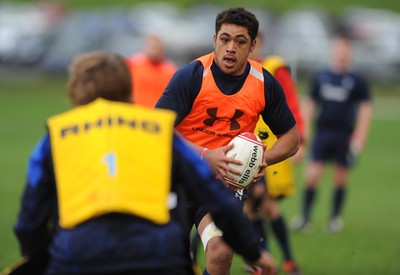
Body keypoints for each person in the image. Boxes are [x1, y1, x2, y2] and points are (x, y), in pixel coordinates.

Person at [11, 51, 277, 275]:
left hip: (79, 254)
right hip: (157, 256)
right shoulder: (156, 132)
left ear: (76, 92)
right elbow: (214, 194)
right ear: (128, 89)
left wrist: (36, 254)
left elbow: (30, 216)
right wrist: (252, 251)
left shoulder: (58, 135)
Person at [156, 7, 300, 275]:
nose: (231, 48)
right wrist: (204, 155)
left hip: (224, 185)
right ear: (214, 40)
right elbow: (158, 128)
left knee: (221, 251)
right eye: (225, 39)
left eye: (240, 41)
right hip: (178, 178)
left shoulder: (263, 83)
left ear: (252, 46)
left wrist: (261, 161)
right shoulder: (191, 76)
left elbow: (292, 139)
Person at [290, 34, 373, 234]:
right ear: (333, 52)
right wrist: (304, 129)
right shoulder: (321, 76)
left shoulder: (356, 80)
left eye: (345, 51)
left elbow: (365, 107)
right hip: (323, 133)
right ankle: (305, 217)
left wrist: (360, 134)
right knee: (312, 175)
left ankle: (334, 219)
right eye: (338, 51)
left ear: (349, 54)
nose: (341, 55)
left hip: (344, 135)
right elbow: (309, 104)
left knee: (340, 177)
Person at [242, 32, 304, 275]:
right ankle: (266, 261)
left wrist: (302, 140)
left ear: (257, 45)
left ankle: (284, 259)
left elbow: (292, 103)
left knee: (265, 204)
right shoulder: (238, 73)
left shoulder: (274, 68)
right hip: (245, 147)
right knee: (253, 206)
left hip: (271, 147)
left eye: (247, 42)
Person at [126, 33, 177, 108]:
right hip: (136, 112)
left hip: (157, 114)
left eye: (156, 47)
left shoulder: (170, 70)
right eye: (151, 47)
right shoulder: (134, 63)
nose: (154, 50)